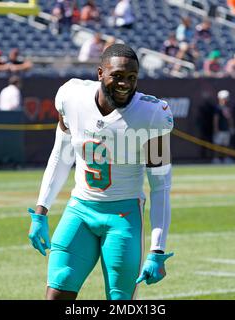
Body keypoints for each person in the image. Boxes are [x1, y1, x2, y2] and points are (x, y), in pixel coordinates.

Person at [28, 44, 174, 300]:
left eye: (132, 77)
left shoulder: (151, 115)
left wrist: (158, 249)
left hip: (123, 216)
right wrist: (41, 211)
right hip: (80, 210)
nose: (125, 84)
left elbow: (160, 185)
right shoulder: (71, 97)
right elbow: (61, 156)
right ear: (99, 73)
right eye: (117, 75)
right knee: (57, 291)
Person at [212, 90, 235, 163]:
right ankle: (216, 159)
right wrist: (216, 129)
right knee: (217, 145)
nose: (226, 100)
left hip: (226, 129)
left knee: (226, 145)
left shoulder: (227, 107)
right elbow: (216, 119)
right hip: (220, 129)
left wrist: (231, 127)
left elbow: (230, 119)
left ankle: (226, 158)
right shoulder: (217, 108)